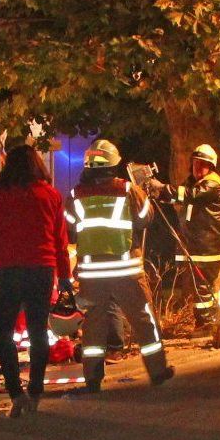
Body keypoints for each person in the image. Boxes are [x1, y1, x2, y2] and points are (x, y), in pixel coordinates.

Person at [0, 143, 72, 416]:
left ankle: (16, 394)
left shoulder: (0, 195)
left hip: (9, 270)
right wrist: (65, 276)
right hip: (41, 270)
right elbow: (60, 241)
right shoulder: (51, 195)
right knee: (39, 331)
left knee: (3, 332)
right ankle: (36, 391)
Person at [68, 138, 174, 392]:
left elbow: (71, 226)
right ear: (113, 164)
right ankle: (157, 371)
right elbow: (144, 218)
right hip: (125, 269)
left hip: (92, 273)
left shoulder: (75, 195)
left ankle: (92, 378)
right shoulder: (127, 190)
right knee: (143, 319)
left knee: (93, 323)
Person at [154, 143, 220, 328]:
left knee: (202, 287)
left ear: (211, 166)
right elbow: (181, 196)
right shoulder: (195, 183)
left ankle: (205, 323)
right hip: (197, 246)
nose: (198, 168)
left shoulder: (212, 185)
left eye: (202, 164)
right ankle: (210, 319)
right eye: (195, 163)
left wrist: (162, 187)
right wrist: (159, 193)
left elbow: (190, 195)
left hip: (206, 247)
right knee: (203, 286)